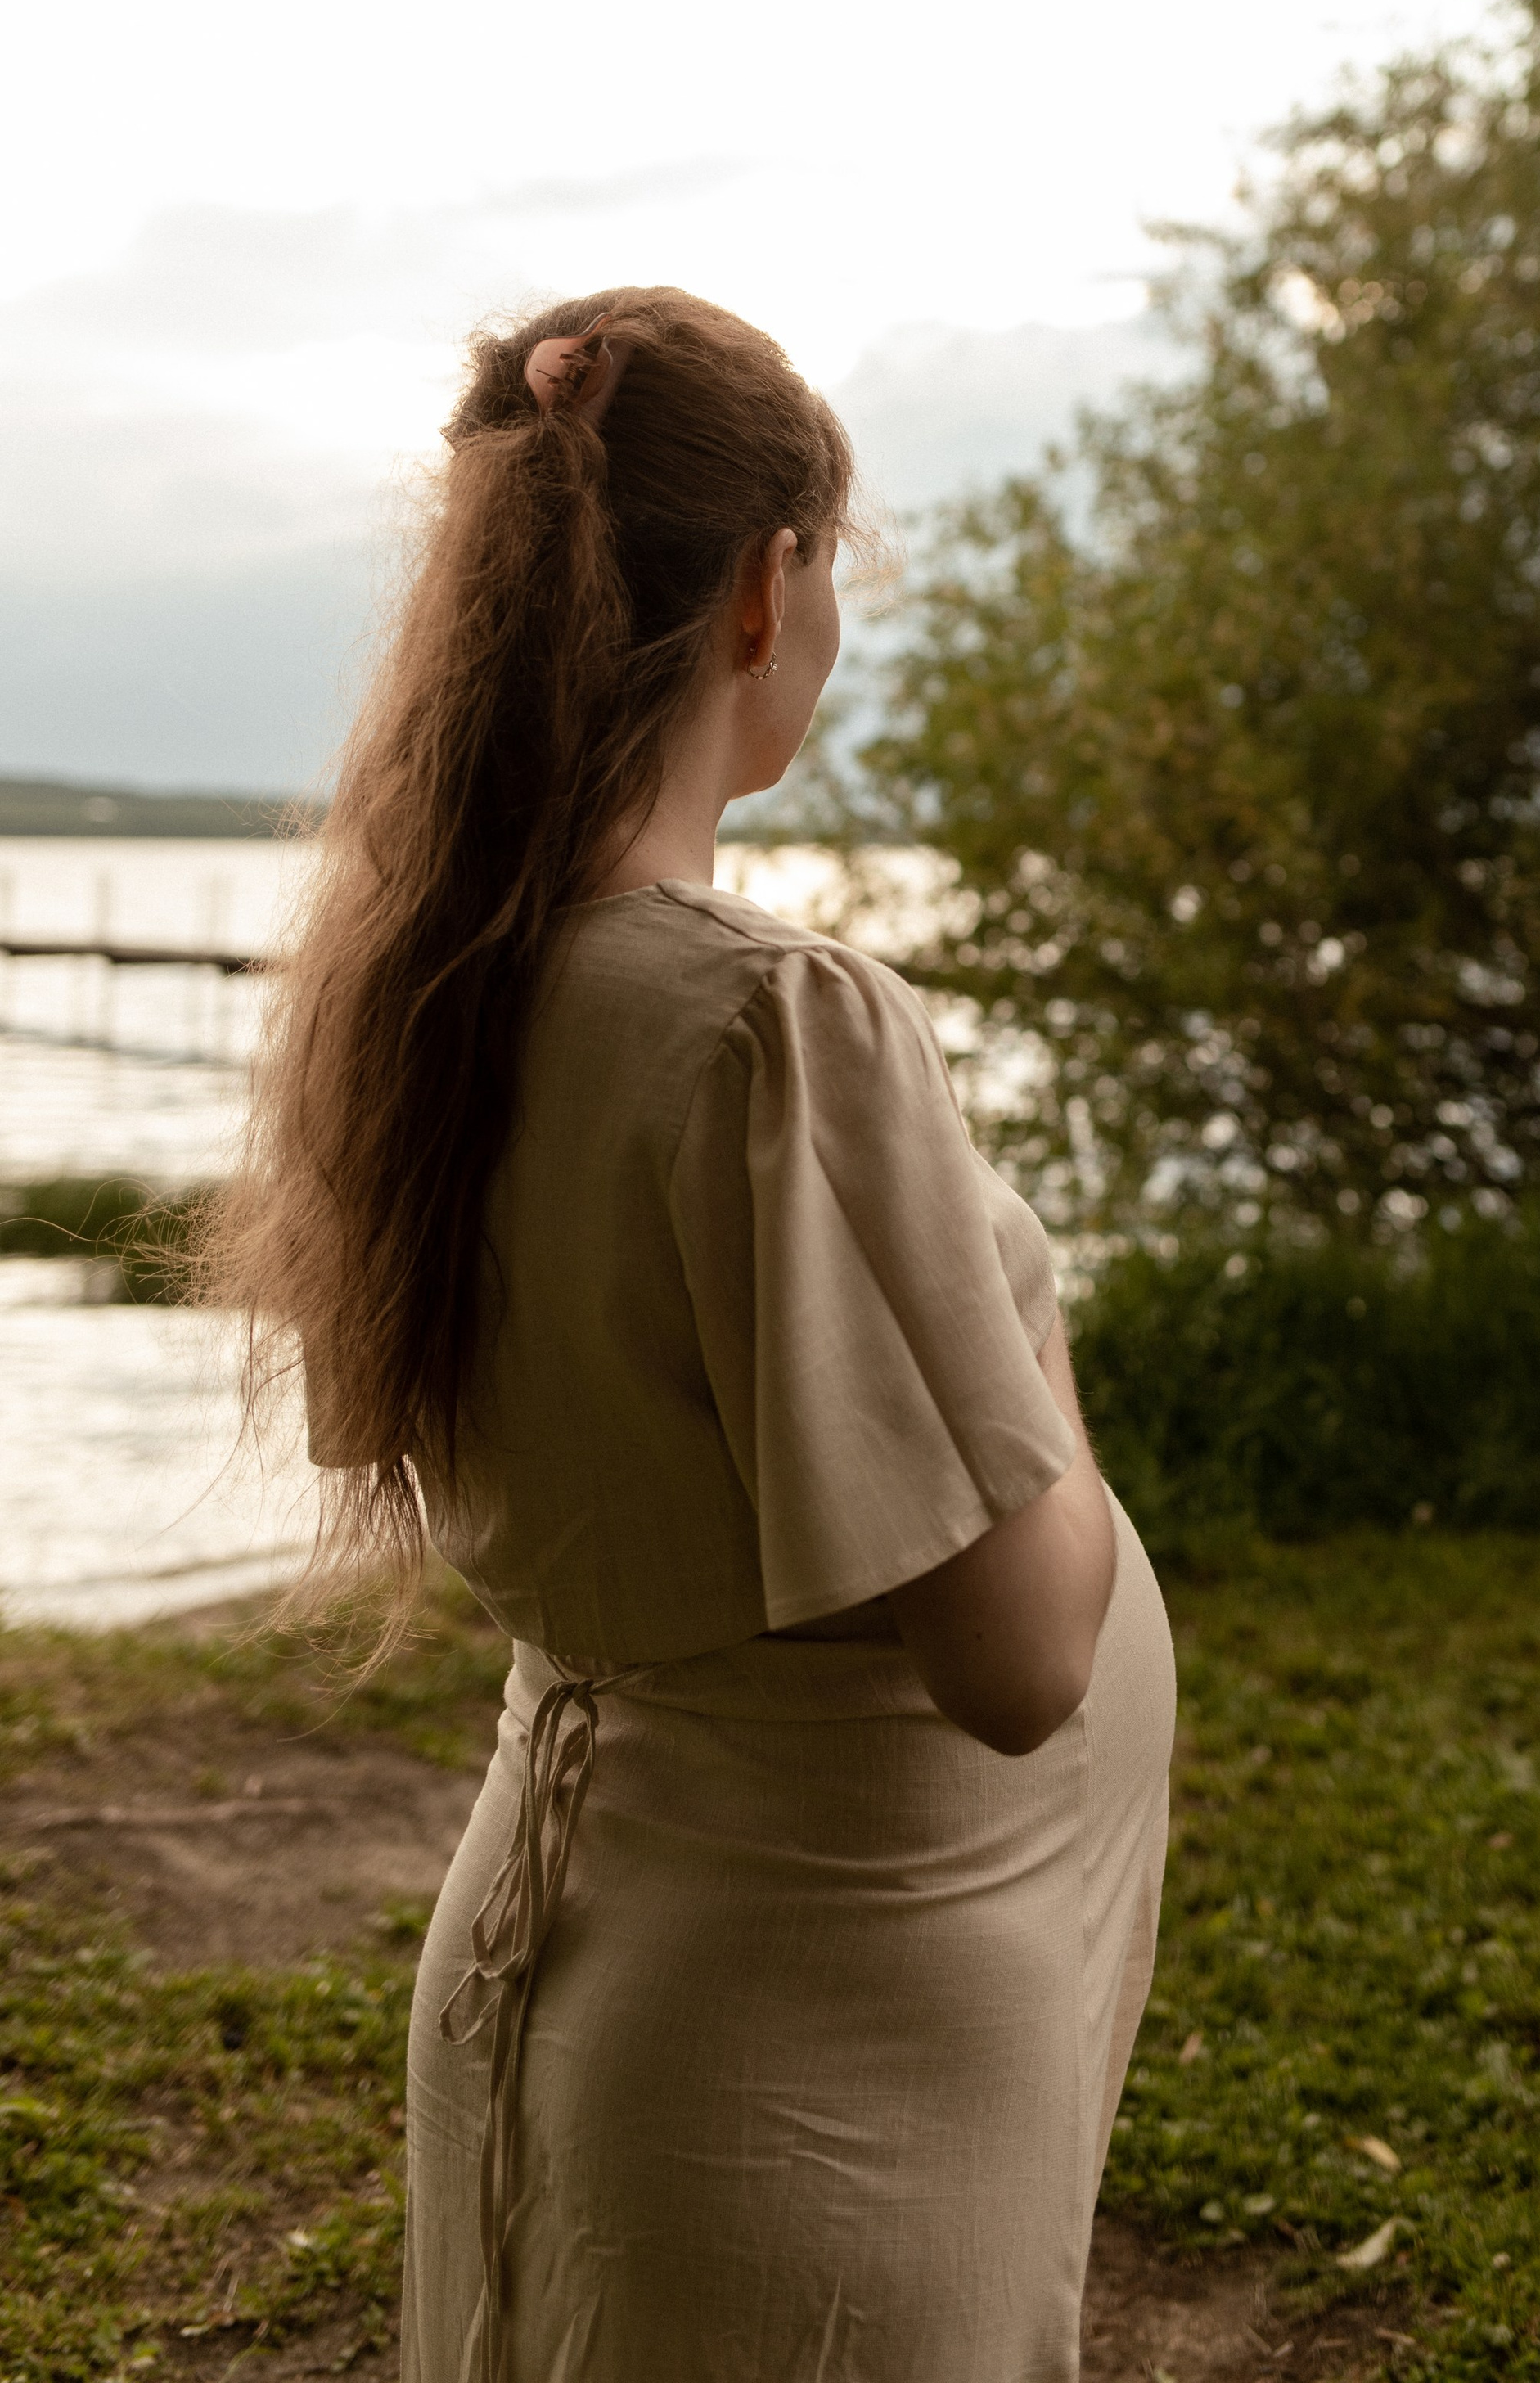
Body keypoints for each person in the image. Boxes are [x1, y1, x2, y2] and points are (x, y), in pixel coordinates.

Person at [209, 289, 1176, 2383]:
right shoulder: (768, 1019)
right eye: (836, 572)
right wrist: (1034, 1340)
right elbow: (1014, 1654)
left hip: (578, 1963)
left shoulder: (423, 999)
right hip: (804, 2048)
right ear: (769, 586)